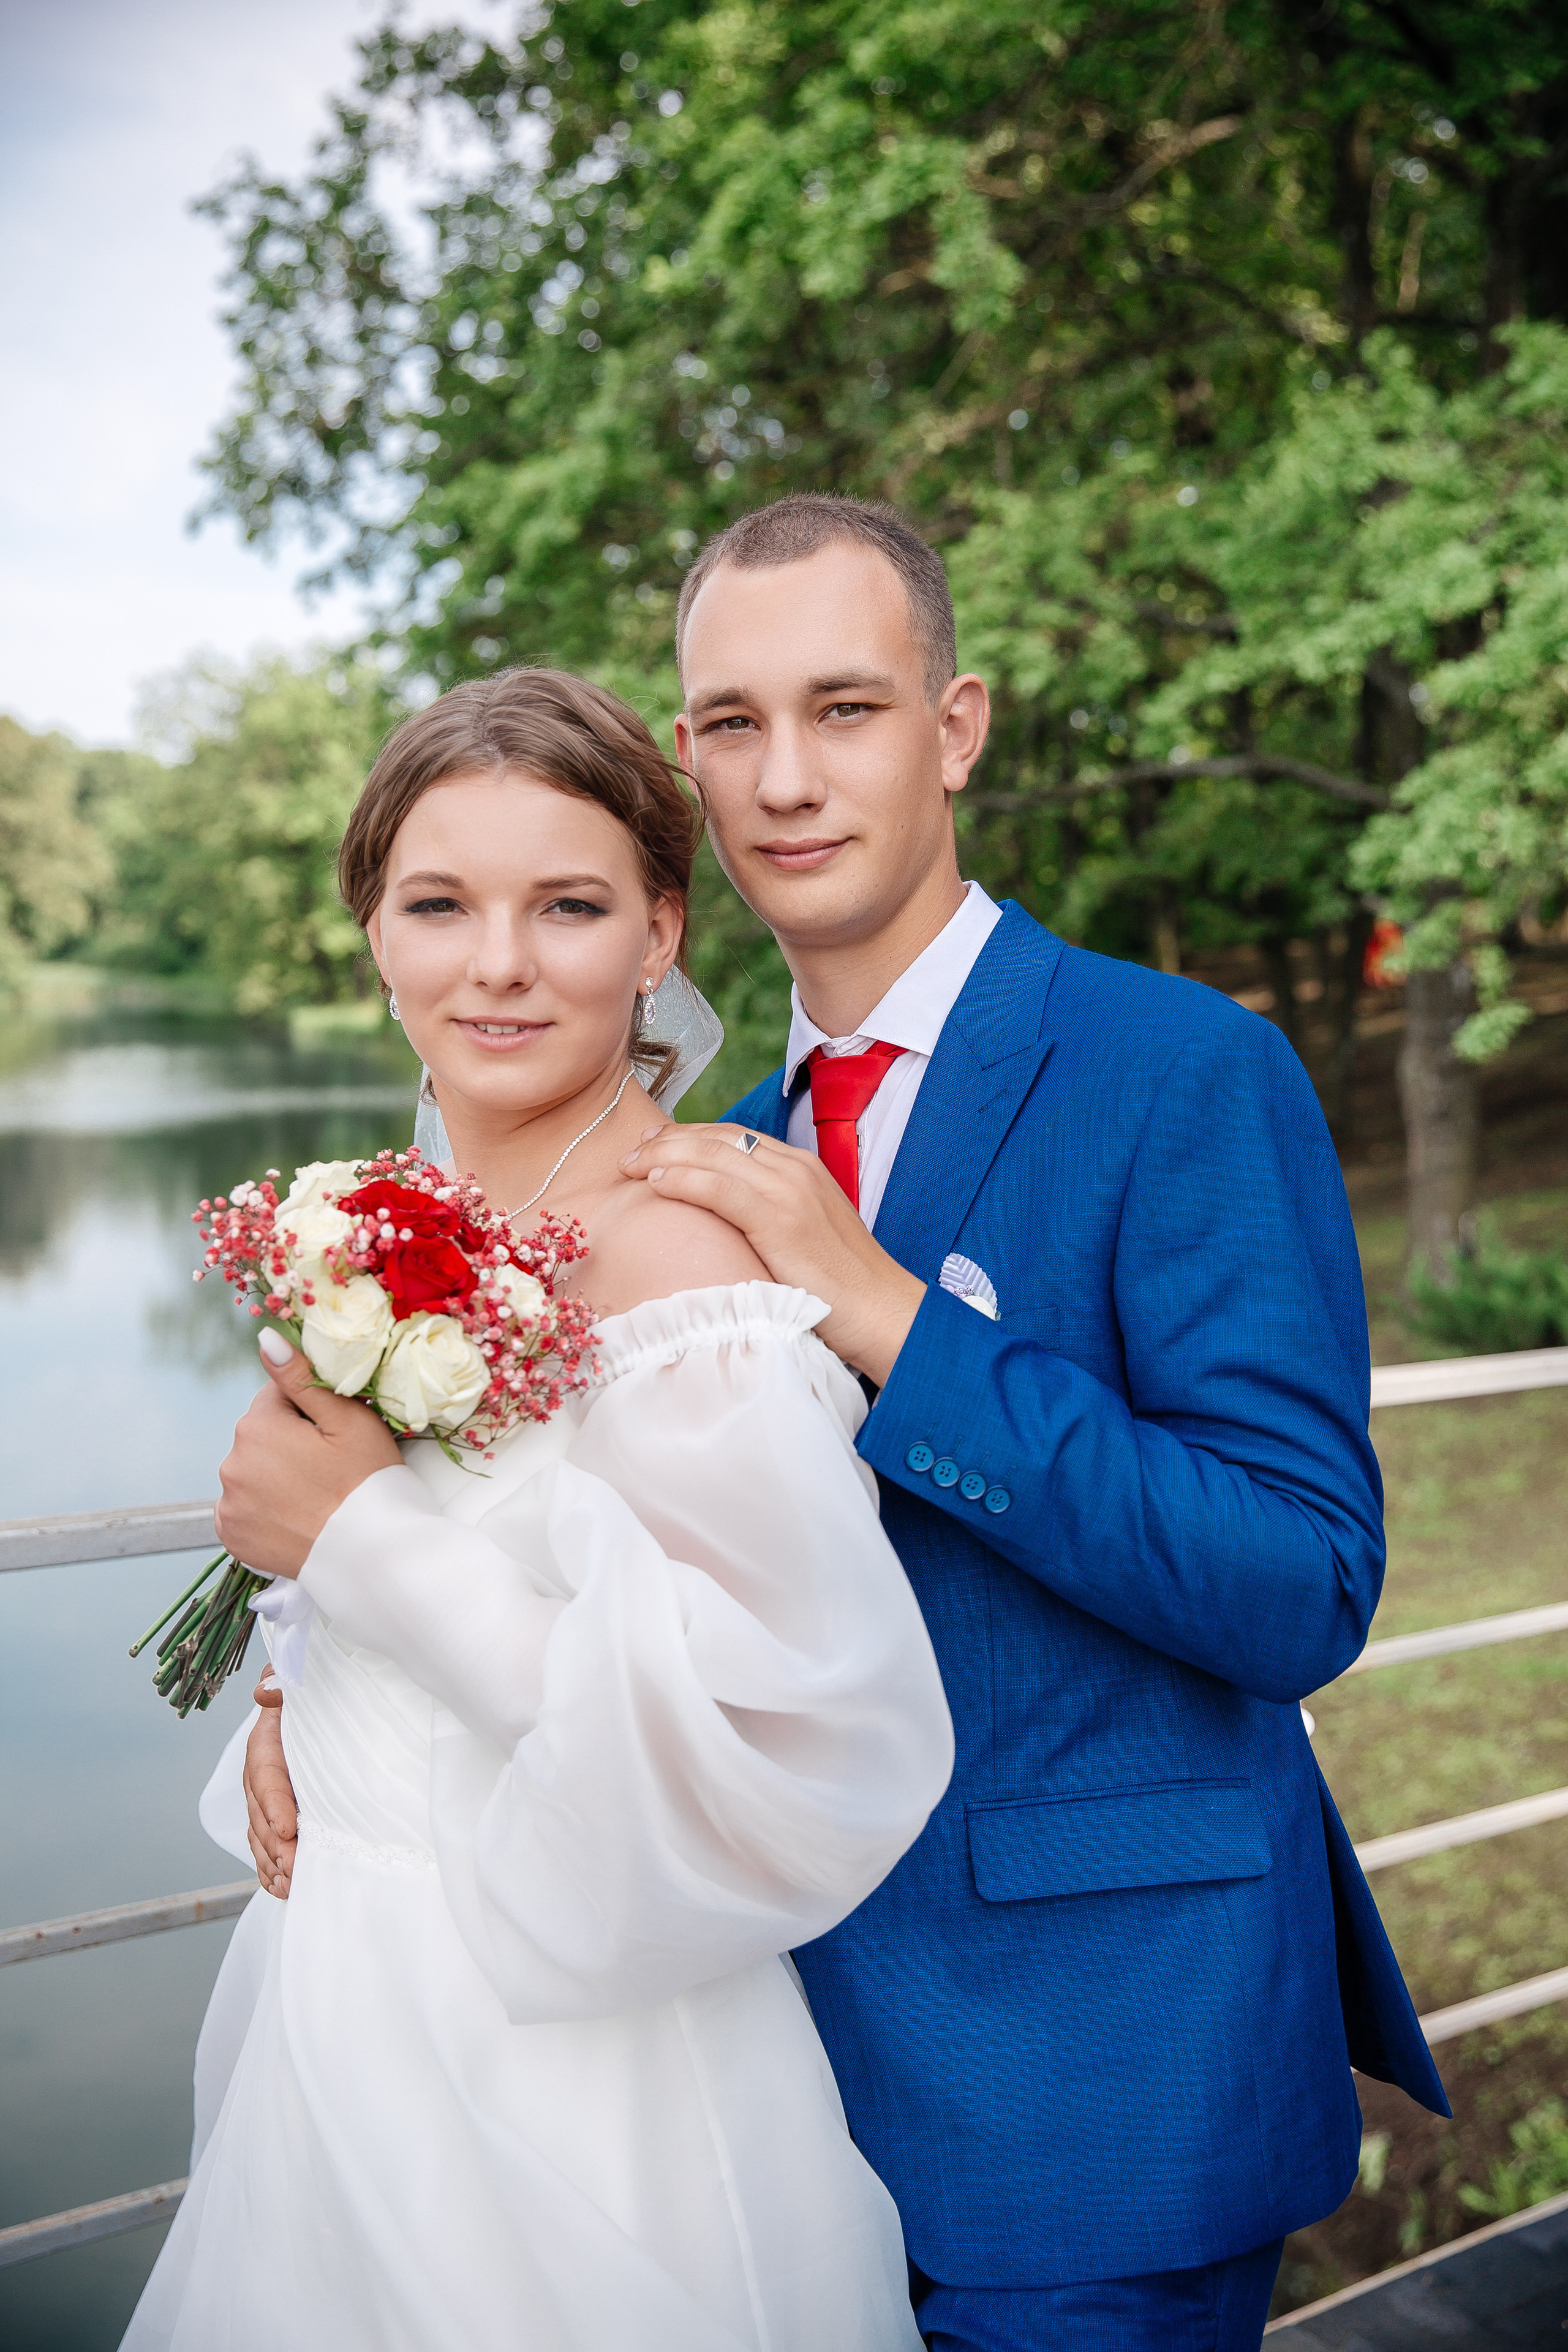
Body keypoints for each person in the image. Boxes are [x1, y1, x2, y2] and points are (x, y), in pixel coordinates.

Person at [236, 495, 1450, 2352]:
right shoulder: (692, 1162)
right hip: (752, 2068)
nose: (788, 778)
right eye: (733, 724)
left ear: (956, 728)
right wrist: (307, 1671)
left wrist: (889, 1320)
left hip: (1096, 2073)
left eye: (847, 710)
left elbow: (1301, 1585)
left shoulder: (1183, 1069)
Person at [123, 668, 954, 2352]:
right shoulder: (396, 1216)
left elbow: (778, 1743)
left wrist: (359, 1547)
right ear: (375, 932)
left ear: (659, 935)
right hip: (336, 1984)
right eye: (439, 905)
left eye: (567, 907)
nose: (496, 965)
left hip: (570, 2053)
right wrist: (296, 1674)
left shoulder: (683, 1268)